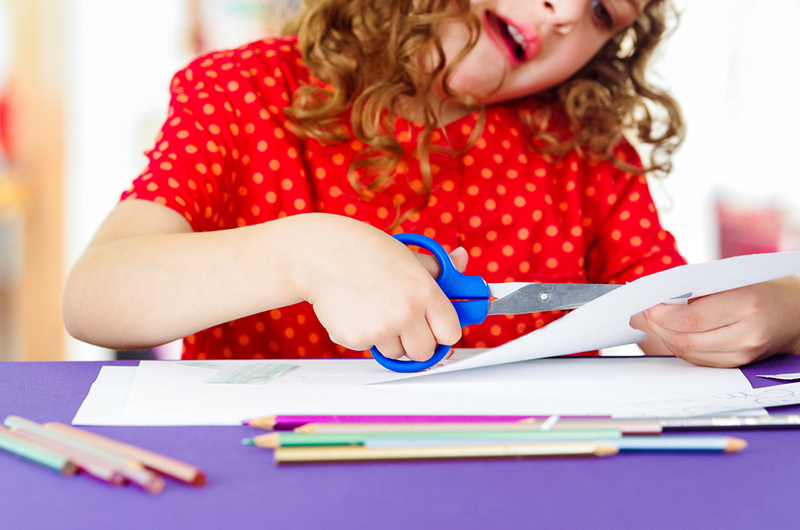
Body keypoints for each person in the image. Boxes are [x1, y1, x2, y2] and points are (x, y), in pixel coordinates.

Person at [62, 0, 800, 368]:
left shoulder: (588, 148)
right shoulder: (244, 93)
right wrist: (301, 254)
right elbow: (95, 297)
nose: (572, 11)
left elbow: (674, 309)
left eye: (605, 12)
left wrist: (785, 307)